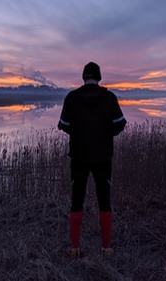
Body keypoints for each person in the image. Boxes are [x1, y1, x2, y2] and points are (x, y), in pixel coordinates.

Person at [58, 62, 126, 258]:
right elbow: (120, 125)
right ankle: (106, 248)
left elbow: (64, 125)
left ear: (83, 77)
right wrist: (106, 134)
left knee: (76, 200)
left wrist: (78, 132)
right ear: (99, 77)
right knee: (104, 200)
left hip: (78, 157)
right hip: (103, 157)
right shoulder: (109, 97)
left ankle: (74, 248)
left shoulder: (72, 97)